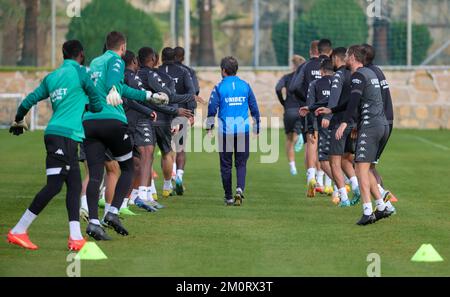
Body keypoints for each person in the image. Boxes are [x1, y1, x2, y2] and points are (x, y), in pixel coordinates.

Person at [7, 40, 103, 251]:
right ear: (81, 54)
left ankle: (76, 237)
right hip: (65, 137)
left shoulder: (52, 77)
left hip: (56, 134)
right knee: (54, 186)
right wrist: (90, 104)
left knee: (75, 185)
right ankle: (18, 230)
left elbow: (29, 100)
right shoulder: (81, 73)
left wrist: (19, 118)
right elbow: (96, 104)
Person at [82, 31, 169, 241]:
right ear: (122, 48)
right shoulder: (116, 60)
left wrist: (148, 96)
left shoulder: (94, 62)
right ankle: (112, 212)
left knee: (95, 173)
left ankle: (94, 222)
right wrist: (114, 87)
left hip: (89, 121)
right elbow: (115, 82)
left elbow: (121, 89)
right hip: (112, 120)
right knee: (129, 167)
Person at [335, 45, 393, 225]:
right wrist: (329, 108)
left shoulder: (359, 75)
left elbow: (353, 102)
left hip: (370, 126)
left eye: (346, 55)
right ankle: (382, 207)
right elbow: (350, 101)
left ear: (352, 57)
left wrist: (345, 122)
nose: (344, 57)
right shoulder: (371, 74)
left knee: (360, 168)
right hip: (381, 125)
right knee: (365, 167)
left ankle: (368, 211)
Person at [137, 47, 198, 199]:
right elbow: (188, 93)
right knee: (170, 152)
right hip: (168, 117)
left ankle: (150, 190)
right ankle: (168, 184)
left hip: (146, 118)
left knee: (146, 155)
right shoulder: (184, 72)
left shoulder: (140, 75)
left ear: (161, 58)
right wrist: (186, 112)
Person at [206, 56, 260, 206]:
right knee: (241, 164)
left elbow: (212, 109)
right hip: (243, 130)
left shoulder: (219, 87)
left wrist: (209, 126)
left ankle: (229, 196)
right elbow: (254, 108)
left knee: (226, 165)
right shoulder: (245, 86)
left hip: (226, 132)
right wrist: (257, 127)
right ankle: (239, 189)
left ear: (223, 70)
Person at [316, 47, 361, 206]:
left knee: (333, 161)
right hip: (354, 123)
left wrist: (328, 116)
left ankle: (344, 198)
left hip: (340, 123)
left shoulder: (339, 75)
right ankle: (356, 186)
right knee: (346, 159)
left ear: (335, 58)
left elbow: (334, 99)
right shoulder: (356, 75)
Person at [291, 39, 333, 197]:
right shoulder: (331, 65)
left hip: (309, 110)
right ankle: (326, 183)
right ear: (329, 51)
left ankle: (311, 178)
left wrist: (308, 102)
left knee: (312, 142)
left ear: (311, 51)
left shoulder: (305, 66)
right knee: (327, 144)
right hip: (329, 111)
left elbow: (293, 87)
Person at [361, 44, 397, 209]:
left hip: (377, 121)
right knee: (370, 165)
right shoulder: (377, 70)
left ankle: (382, 197)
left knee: (364, 165)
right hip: (386, 120)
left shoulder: (369, 73)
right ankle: (382, 198)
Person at [158, 47, 197, 196]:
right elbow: (192, 93)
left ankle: (169, 179)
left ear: (160, 58)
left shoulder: (156, 71)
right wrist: (191, 113)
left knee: (165, 151)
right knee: (180, 147)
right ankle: (179, 176)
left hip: (161, 114)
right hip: (180, 113)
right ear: (176, 57)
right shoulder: (184, 72)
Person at [299, 58, 335, 196]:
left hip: (318, 120)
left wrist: (311, 125)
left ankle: (311, 178)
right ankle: (329, 185)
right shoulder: (338, 84)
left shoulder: (315, 83)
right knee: (333, 153)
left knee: (313, 145)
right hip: (334, 121)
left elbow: (310, 104)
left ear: (321, 71)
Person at [275, 54, 306, 176]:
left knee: (289, 139)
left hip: (289, 110)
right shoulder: (304, 79)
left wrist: (283, 101)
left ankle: (292, 167)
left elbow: (278, 88)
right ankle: (300, 136)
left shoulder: (286, 77)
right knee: (309, 140)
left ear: (293, 65)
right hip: (301, 110)